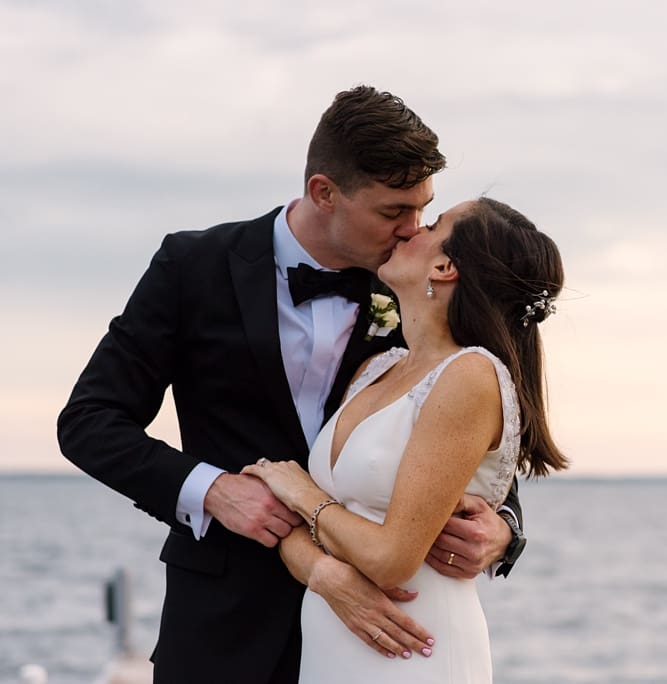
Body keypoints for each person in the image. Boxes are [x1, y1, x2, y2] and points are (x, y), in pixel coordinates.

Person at [57, 86, 524, 684]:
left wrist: (505, 527)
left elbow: (471, 418)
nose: (412, 232)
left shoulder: (414, 288)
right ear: (324, 193)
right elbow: (89, 420)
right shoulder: (192, 267)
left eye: (422, 209)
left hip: (386, 634)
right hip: (224, 625)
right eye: (392, 213)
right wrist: (214, 490)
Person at [243, 196, 569, 683]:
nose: (410, 229)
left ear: (444, 266)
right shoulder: (377, 368)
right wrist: (319, 567)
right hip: (334, 642)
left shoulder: (469, 375)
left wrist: (301, 493)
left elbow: (391, 560)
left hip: (415, 647)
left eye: (433, 224)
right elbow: (310, 526)